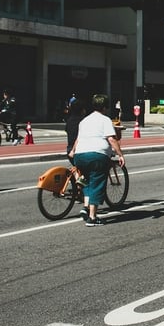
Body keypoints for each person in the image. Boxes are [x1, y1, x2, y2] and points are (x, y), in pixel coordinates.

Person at [68, 94, 125, 227]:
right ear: (105, 107)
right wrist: (120, 154)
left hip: (80, 155)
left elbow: (78, 139)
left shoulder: (84, 121)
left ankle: (86, 207)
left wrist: (73, 151)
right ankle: (92, 217)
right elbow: (111, 139)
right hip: (97, 155)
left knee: (86, 181)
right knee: (97, 182)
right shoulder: (105, 120)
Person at [65, 99, 87, 184]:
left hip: (69, 150)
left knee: (78, 169)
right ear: (82, 110)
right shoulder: (84, 121)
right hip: (80, 150)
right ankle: (81, 189)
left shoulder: (69, 121)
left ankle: (77, 190)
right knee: (88, 171)